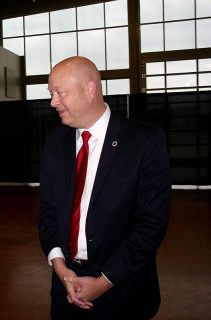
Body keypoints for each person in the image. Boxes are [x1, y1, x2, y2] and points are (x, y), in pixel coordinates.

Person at [38, 56, 171, 320]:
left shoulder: (144, 140)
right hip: (65, 284)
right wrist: (59, 265)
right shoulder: (54, 141)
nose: (53, 102)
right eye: (51, 93)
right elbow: (47, 210)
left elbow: (151, 223)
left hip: (123, 289)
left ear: (90, 90)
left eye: (59, 92)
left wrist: (105, 282)